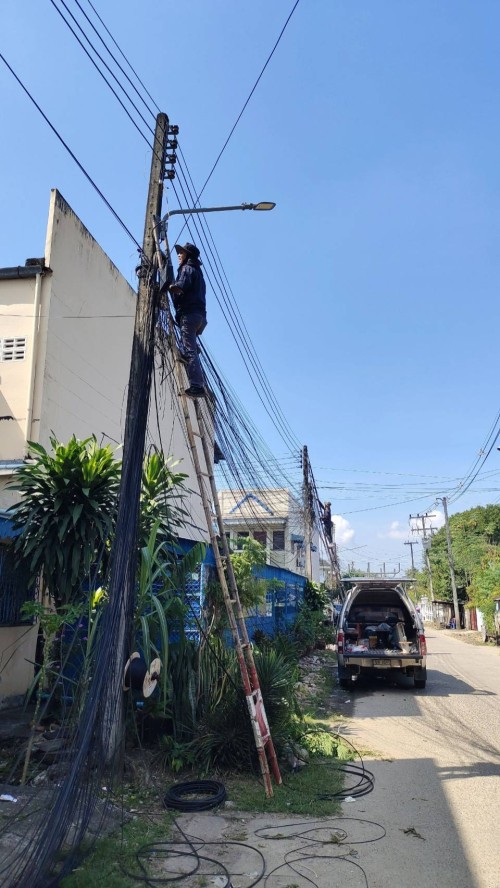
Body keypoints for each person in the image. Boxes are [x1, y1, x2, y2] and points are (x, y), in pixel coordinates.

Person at [169, 242, 207, 398]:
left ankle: (196, 386)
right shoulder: (198, 274)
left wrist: (169, 286)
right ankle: (192, 352)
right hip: (200, 318)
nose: (179, 255)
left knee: (189, 350)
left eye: (182, 253)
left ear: (188, 256)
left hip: (189, 316)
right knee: (190, 348)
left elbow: (180, 287)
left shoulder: (186, 269)